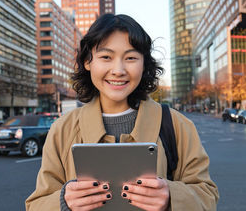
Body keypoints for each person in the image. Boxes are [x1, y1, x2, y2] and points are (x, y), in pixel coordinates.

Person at [25, 14, 219, 211]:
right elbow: (36, 204)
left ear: (144, 64)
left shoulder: (177, 125)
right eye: (106, 57)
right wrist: (63, 202)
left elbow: (207, 197)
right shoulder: (62, 129)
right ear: (87, 62)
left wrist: (171, 197)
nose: (118, 70)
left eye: (131, 58)